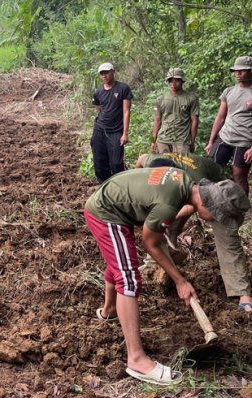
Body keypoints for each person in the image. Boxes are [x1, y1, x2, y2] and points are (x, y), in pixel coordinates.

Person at [85, 167, 249, 384]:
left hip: (115, 203)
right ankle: (136, 359)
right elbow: (151, 243)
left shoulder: (186, 182)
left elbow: (157, 230)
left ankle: (110, 310)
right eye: (217, 218)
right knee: (128, 278)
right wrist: (180, 281)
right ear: (210, 205)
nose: (214, 222)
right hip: (106, 212)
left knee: (121, 262)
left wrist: (179, 276)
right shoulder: (168, 204)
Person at [136, 153, 252, 312]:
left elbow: (193, 205)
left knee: (228, 239)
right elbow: (142, 158)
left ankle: (241, 292)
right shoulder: (155, 164)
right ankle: (154, 265)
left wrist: (165, 218)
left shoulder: (194, 184)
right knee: (164, 221)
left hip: (220, 195)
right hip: (180, 192)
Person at [205, 56, 252, 194]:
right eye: (235, 71)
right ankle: (211, 204)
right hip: (225, 137)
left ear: (250, 71)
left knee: (239, 176)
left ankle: (241, 210)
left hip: (244, 142)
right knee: (211, 170)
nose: (237, 73)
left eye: (241, 71)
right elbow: (220, 117)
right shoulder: (229, 91)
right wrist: (211, 141)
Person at [91, 63, 133, 182]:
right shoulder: (98, 92)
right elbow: (99, 110)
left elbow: (126, 111)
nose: (104, 75)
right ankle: (103, 186)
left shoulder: (123, 88)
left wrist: (125, 133)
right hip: (100, 130)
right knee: (99, 161)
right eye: (102, 73)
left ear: (113, 72)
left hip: (116, 131)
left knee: (116, 163)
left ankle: (119, 187)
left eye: (107, 72)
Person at [151, 68, 199, 154]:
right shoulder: (160, 99)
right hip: (163, 140)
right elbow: (157, 121)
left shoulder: (191, 98)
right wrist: (153, 141)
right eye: (171, 80)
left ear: (182, 81)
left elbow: (194, 121)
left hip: (182, 140)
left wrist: (192, 141)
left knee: (183, 166)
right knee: (162, 165)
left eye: (177, 80)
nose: (173, 83)